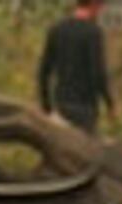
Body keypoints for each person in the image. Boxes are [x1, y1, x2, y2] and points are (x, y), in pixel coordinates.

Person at [35, 0, 110, 136]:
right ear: (94, 4)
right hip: (84, 110)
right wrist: (110, 103)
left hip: (61, 106)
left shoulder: (57, 29)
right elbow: (98, 74)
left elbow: (44, 72)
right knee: (84, 154)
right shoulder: (93, 33)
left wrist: (46, 106)